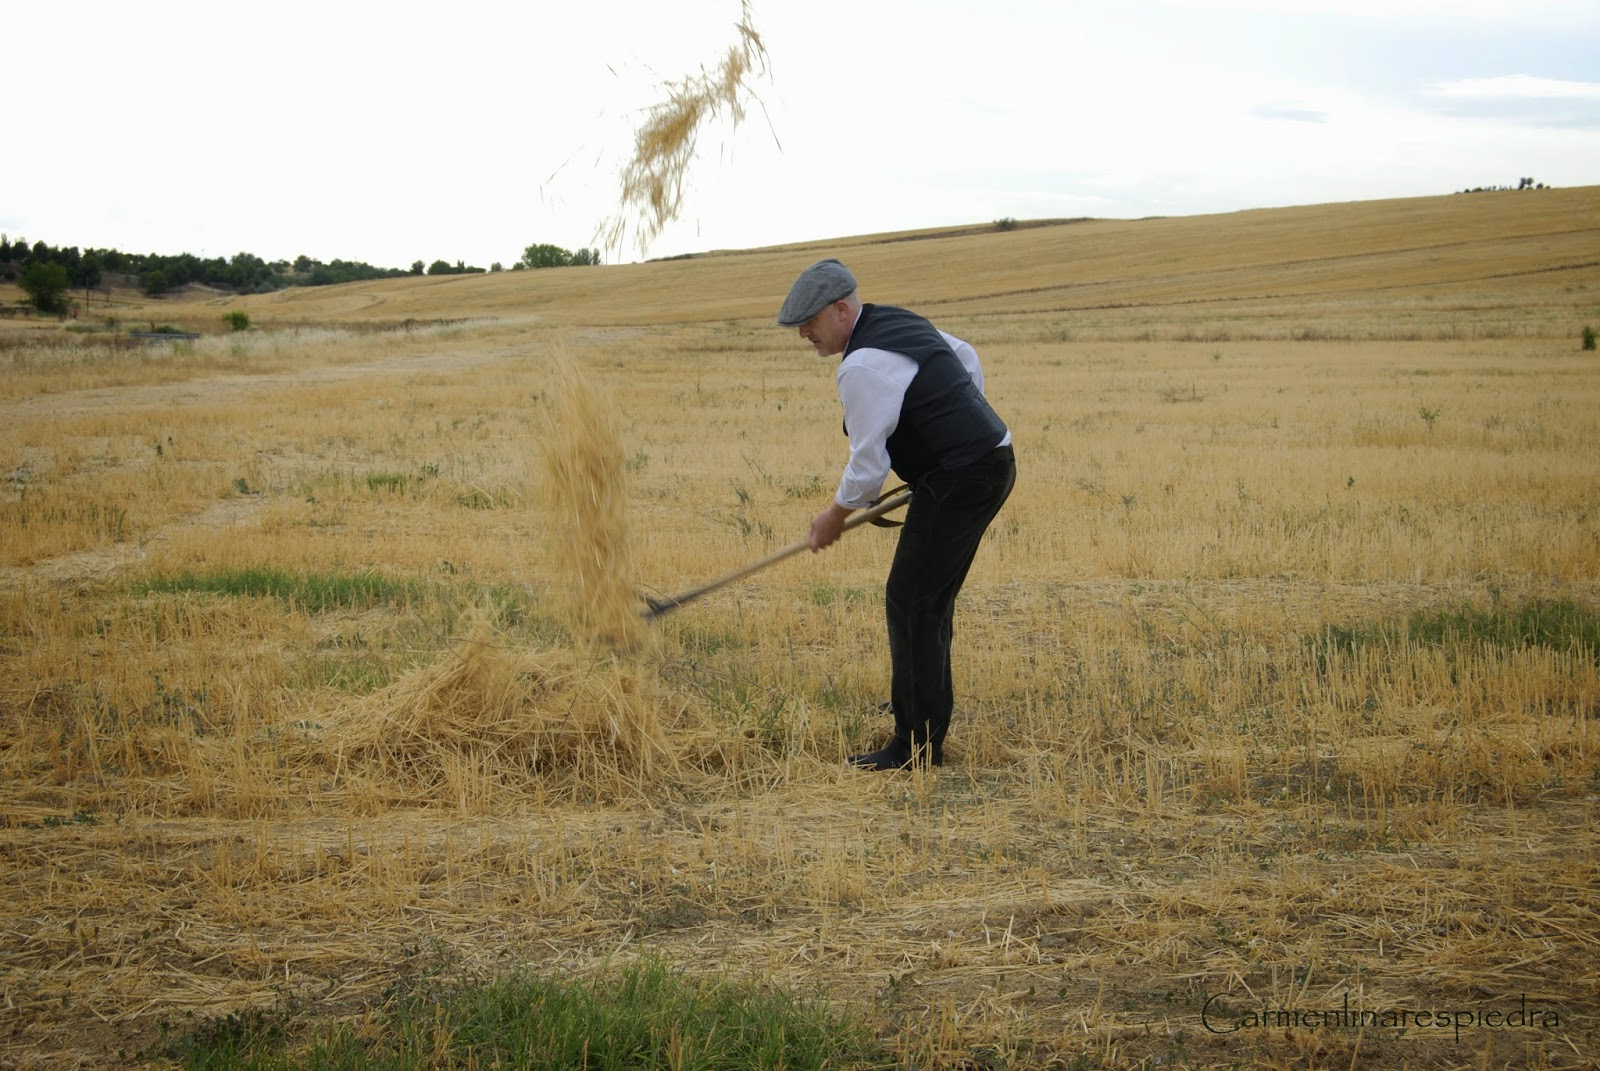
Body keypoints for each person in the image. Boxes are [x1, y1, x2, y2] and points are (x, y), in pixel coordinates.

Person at [777, 258, 1016, 771]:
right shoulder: (898, 321)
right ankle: (919, 696)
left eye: (810, 323)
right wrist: (958, 430)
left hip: (964, 476)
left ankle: (916, 746)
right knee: (928, 599)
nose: (804, 334)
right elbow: (965, 357)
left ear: (841, 310)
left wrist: (834, 516)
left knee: (912, 601)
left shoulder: (861, 364)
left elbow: (868, 464)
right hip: (987, 462)